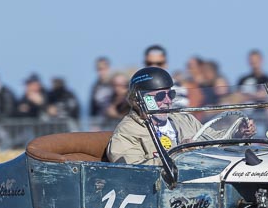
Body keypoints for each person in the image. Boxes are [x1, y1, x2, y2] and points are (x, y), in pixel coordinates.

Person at [107, 67, 254, 165]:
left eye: (170, 94)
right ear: (139, 99)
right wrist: (178, 155)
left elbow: (213, 141)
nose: (167, 101)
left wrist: (238, 133)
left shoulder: (184, 119)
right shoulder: (127, 131)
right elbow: (131, 172)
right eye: (159, 96)